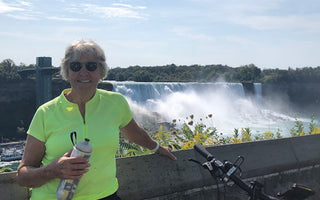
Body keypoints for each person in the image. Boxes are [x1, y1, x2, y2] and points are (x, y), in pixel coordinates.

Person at [16, 39, 177, 200]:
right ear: (67, 71)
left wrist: (157, 147)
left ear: (101, 70)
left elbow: (135, 133)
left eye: (91, 66)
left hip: (106, 195)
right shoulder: (46, 113)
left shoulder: (115, 103)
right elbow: (23, 175)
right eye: (76, 66)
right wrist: (53, 170)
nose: (83, 72)